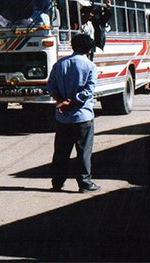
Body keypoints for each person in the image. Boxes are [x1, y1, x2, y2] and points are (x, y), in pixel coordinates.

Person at [48, 33, 100, 193]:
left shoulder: (59, 64)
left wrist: (61, 101)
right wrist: (72, 102)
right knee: (83, 152)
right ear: (89, 49)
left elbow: (51, 87)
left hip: (63, 117)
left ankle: (57, 183)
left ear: (73, 46)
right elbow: (88, 91)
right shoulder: (90, 66)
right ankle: (84, 184)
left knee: (61, 152)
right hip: (82, 116)